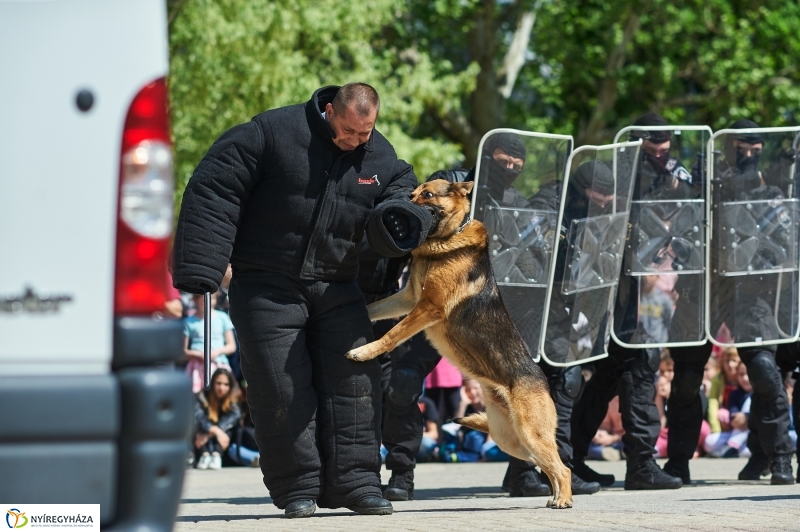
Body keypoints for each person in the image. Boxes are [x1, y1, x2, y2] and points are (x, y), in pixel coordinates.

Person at [172, 83, 433, 518]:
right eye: (349, 131)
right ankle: (298, 488)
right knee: (280, 386)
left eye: (365, 133)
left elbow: (403, 193)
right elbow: (216, 187)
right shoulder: (271, 132)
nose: (357, 141)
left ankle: (358, 485)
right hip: (266, 284)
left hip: (338, 285)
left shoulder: (380, 157)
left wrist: (402, 220)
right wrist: (202, 267)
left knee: (356, 383)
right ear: (329, 110)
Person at [571, 113, 687, 491]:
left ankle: (633, 463)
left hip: (640, 295)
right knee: (617, 376)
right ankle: (580, 462)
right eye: (651, 151)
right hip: (607, 295)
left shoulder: (671, 174)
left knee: (622, 375)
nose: (658, 157)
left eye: (664, 150)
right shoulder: (612, 173)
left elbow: (684, 216)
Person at [707, 120, 795, 484]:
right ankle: (781, 459)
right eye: (741, 148)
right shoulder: (713, 190)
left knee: (774, 377)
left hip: (782, 295)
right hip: (737, 296)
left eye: (755, 148)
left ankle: (760, 454)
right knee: (761, 370)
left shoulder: (775, 193)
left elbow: (789, 241)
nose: (748, 155)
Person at [183, 292, 236, 394]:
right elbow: (183, 351)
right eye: (203, 299)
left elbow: (232, 346)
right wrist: (198, 354)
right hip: (197, 367)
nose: (207, 302)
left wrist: (216, 352)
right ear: (195, 299)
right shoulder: (188, 321)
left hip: (219, 364)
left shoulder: (222, 317)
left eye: (211, 299)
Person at [194, 368, 242, 470]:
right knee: (201, 428)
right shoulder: (201, 396)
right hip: (201, 438)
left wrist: (216, 431)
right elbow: (198, 417)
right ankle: (205, 455)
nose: (221, 388)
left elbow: (234, 417)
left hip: (224, 443)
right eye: (218, 383)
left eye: (226, 384)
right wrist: (215, 431)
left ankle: (216, 455)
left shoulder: (233, 399)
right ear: (212, 383)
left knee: (228, 430)